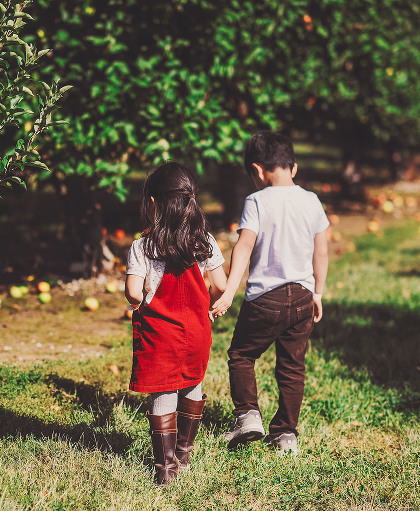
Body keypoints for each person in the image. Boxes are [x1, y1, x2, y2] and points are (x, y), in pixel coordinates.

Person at [209, 131, 329, 455]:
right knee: (292, 366)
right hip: (303, 296)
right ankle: (286, 433)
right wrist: (318, 293)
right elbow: (321, 252)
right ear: (294, 167)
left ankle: (247, 415)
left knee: (241, 354)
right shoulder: (312, 201)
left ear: (258, 170)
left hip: (266, 298)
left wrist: (230, 289)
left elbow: (244, 246)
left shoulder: (256, 201)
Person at [125, 161, 228, 484]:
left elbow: (132, 293)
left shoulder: (143, 246)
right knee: (193, 383)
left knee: (163, 394)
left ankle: (166, 468)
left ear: (153, 203)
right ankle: (184, 451)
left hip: (160, 335)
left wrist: (139, 297)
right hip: (196, 330)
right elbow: (221, 285)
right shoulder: (203, 241)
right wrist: (211, 300)